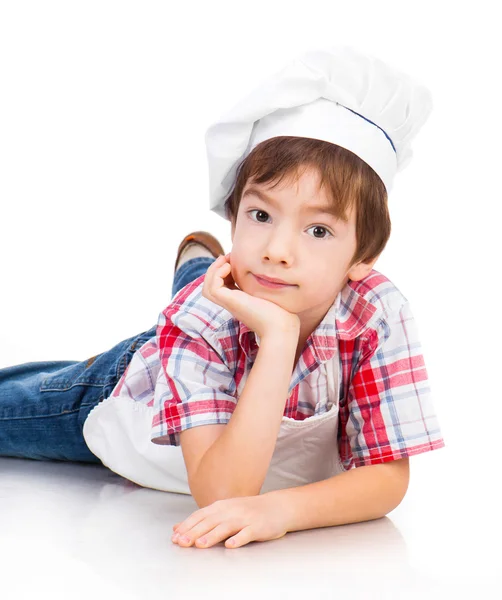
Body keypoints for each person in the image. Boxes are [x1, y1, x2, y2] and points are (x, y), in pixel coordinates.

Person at [0, 45, 445, 549]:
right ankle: (194, 274)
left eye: (318, 230)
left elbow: (387, 478)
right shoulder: (203, 320)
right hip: (128, 387)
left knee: (209, 285)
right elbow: (222, 494)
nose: (278, 251)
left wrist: (282, 511)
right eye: (260, 216)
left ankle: (196, 265)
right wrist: (277, 338)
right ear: (233, 219)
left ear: (365, 255)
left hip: (220, 304)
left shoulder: (377, 313)